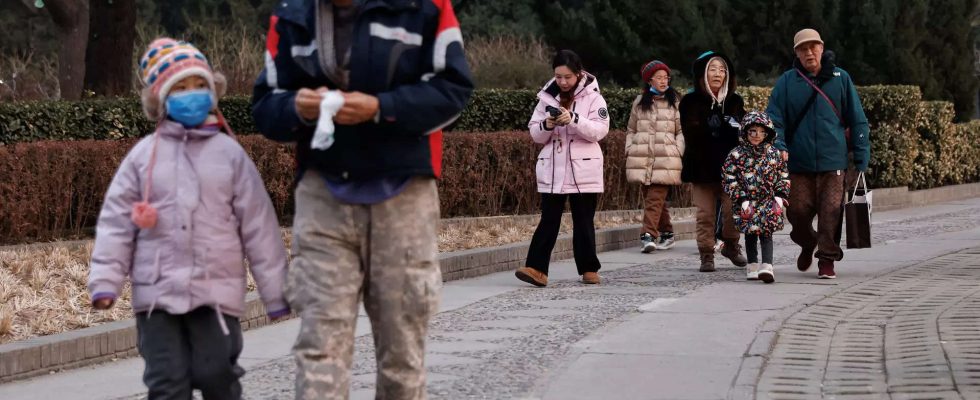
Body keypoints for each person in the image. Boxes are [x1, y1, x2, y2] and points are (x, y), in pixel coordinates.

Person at [250, 0, 474, 398]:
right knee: (320, 347)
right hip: (324, 194)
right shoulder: (291, 14)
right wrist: (295, 108)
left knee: (402, 348)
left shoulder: (426, 7)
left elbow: (453, 91)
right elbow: (266, 104)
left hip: (404, 193)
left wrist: (381, 108)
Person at [88, 38, 289, 399]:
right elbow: (117, 223)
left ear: (213, 91)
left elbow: (259, 226)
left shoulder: (230, 155)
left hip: (215, 293)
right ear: (160, 98)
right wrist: (105, 280)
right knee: (166, 382)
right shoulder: (142, 158)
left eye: (200, 85)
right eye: (180, 88)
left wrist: (275, 293)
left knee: (217, 375)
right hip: (157, 295)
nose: (191, 94)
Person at [766, 28, 870, 279]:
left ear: (822, 49)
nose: (809, 52)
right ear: (797, 54)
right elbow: (773, 119)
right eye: (803, 48)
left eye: (814, 47)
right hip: (798, 163)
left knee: (831, 211)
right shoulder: (787, 82)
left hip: (833, 161)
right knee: (797, 212)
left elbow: (858, 119)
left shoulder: (840, 78)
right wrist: (779, 146)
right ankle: (807, 241)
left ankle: (827, 259)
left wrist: (861, 155)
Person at [514, 49, 610, 287]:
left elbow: (600, 130)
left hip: (583, 168)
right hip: (553, 168)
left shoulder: (594, 97)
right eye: (558, 77)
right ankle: (536, 269)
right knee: (549, 219)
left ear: (578, 74)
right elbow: (535, 133)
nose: (563, 82)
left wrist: (574, 119)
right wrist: (546, 125)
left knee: (583, 220)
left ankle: (589, 269)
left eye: (567, 77)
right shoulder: (546, 97)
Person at [679, 51, 748, 272]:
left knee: (732, 211)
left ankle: (731, 245)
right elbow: (692, 132)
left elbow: (742, 132)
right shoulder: (690, 101)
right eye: (713, 69)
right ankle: (706, 254)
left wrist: (728, 127)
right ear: (703, 73)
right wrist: (714, 126)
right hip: (701, 167)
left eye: (722, 69)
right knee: (705, 214)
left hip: (730, 170)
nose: (718, 74)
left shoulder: (735, 101)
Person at [722, 111, 791, 283]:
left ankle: (767, 265)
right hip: (747, 201)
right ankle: (752, 264)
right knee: (750, 234)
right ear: (745, 131)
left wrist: (780, 195)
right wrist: (741, 198)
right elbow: (728, 177)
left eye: (761, 132)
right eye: (752, 131)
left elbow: (783, 175)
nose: (757, 136)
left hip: (768, 200)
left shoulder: (774, 154)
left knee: (766, 233)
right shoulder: (736, 155)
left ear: (768, 133)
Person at [625, 60, 684, 253]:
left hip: (666, 158)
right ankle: (667, 233)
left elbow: (681, 130)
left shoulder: (675, 101)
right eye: (659, 77)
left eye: (666, 77)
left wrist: (677, 150)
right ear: (649, 80)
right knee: (655, 200)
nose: (663, 81)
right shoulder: (639, 101)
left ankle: (648, 235)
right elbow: (631, 129)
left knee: (654, 198)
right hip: (642, 158)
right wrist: (629, 148)